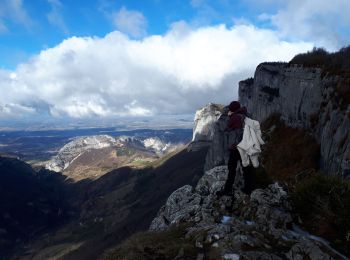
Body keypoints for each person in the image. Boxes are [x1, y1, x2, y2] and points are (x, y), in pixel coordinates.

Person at [218, 101, 255, 196]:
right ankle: (249, 189)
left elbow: (224, 128)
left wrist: (229, 116)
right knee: (246, 168)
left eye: (230, 109)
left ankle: (227, 189)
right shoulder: (246, 115)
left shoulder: (235, 117)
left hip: (236, 147)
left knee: (232, 169)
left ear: (232, 109)